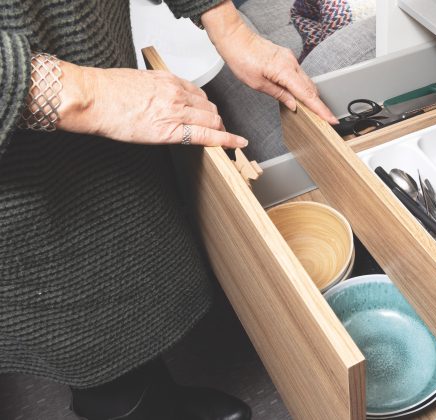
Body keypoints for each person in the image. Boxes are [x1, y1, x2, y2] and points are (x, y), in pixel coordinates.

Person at [0, 1, 338, 419]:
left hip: (93, 71)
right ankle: (123, 404)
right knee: (72, 310)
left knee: (117, 269)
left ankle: (147, 393)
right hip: (22, 157)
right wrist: (79, 94)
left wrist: (227, 23)